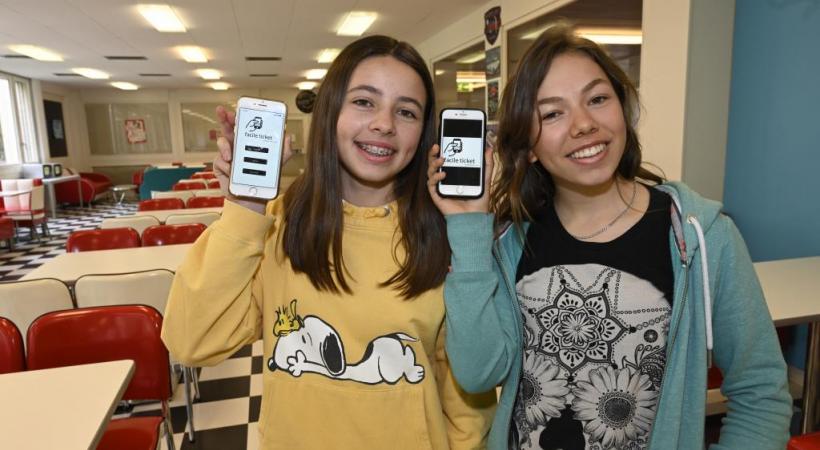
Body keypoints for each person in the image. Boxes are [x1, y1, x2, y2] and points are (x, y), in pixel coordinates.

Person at [427, 24, 791, 450]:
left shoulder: (699, 236)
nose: (583, 124)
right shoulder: (511, 243)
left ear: (624, 109)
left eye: (597, 99)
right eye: (552, 113)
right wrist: (469, 228)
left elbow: (760, 391)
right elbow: (478, 372)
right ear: (527, 145)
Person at [162, 35, 495, 449]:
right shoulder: (275, 225)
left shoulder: (446, 234)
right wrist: (244, 206)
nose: (384, 124)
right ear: (330, 111)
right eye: (364, 102)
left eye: (406, 111)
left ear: (423, 132)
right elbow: (193, 341)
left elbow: (466, 392)